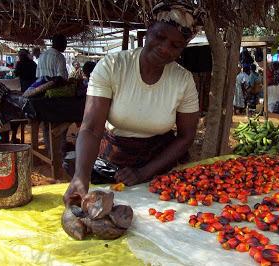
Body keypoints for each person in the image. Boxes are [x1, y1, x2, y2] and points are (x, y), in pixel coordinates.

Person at [63, 1, 206, 206]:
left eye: (175, 45)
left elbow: (186, 137)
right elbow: (92, 128)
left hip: (159, 162)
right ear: (148, 31)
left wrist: (143, 173)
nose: (165, 49)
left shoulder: (183, 80)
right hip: (113, 156)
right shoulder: (112, 66)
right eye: (160, 37)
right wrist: (80, 176)